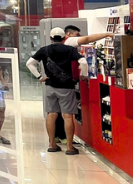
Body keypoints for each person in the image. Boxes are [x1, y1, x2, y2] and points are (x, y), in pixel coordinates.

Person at [27, 27, 89, 155]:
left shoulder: (44, 50)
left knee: (51, 115)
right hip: (66, 87)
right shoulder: (70, 49)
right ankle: (70, 147)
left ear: (51, 38)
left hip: (50, 86)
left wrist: (40, 77)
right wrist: (84, 74)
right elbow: (83, 62)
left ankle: (52, 144)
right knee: (67, 116)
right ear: (64, 38)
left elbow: (30, 63)